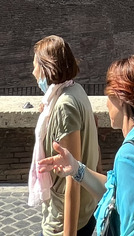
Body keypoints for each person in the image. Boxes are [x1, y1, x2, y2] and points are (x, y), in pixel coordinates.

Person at [40, 54, 134, 236]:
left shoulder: (129, 156)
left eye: (108, 95)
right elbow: (117, 193)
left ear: (121, 98)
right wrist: (76, 169)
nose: (106, 104)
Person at [28, 36, 100, 236]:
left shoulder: (64, 106)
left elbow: (73, 176)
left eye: (35, 66)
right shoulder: (75, 90)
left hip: (66, 219)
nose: (33, 72)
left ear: (45, 69)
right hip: (85, 208)